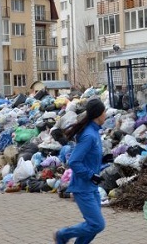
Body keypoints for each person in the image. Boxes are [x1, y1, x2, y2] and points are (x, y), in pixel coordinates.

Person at [55, 98, 107, 244]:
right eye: (104, 112)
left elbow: (88, 157)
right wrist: (91, 176)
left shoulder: (94, 132)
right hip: (83, 187)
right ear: (98, 115)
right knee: (97, 224)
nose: (106, 115)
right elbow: (74, 161)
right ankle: (62, 234)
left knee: (94, 226)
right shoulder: (89, 135)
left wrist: (103, 159)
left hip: (91, 187)